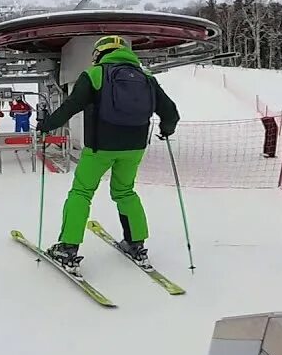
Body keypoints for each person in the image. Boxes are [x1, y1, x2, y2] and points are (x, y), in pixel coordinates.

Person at [37, 35, 180, 274]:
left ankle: (68, 248)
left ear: (98, 54)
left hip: (99, 147)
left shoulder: (95, 75)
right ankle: (136, 243)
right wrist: (166, 130)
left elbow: (70, 107)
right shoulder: (147, 78)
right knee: (125, 191)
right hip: (134, 148)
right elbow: (171, 112)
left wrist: (46, 126)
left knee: (81, 192)